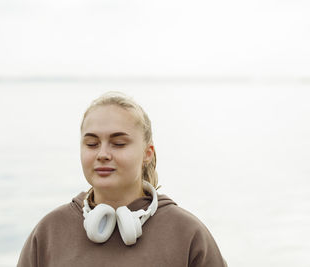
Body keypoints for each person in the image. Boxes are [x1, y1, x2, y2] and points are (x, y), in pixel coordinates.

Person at [17, 91, 227, 267]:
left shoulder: (187, 233)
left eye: (118, 143)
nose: (102, 154)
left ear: (147, 153)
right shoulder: (50, 232)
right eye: (92, 144)